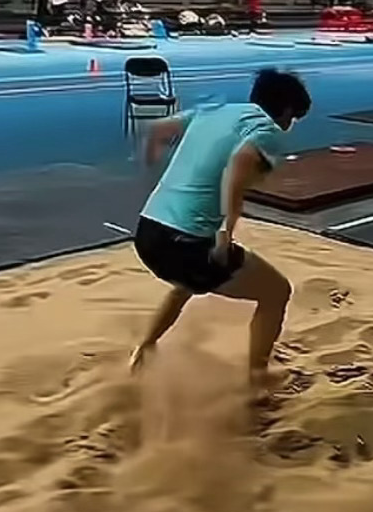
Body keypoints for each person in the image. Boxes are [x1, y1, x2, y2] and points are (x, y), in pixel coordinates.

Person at [130, 67, 311, 391]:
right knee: (277, 291)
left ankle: (146, 345)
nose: (290, 126)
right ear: (286, 110)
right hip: (185, 242)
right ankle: (257, 379)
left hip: (147, 233)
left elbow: (157, 130)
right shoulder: (266, 130)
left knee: (188, 280)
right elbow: (238, 166)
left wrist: (155, 168)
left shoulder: (215, 111)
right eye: (293, 118)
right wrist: (226, 231)